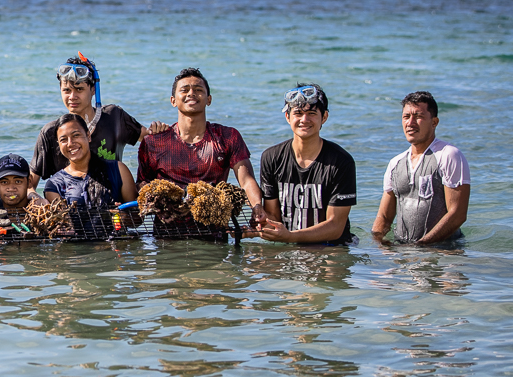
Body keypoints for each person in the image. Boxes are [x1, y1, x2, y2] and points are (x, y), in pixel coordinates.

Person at [137, 67, 264, 225]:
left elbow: (246, 181)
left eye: (198, 90)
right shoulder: (154, 142)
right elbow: (141, 186)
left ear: (209, 99)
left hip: (215, 232)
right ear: (173, 101)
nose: (191, 93)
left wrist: (257, 207)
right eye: (184, 90)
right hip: (166, 234)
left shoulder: (227, 137)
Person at [30, 53, 165, 190]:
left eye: (79, 89)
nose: (72, 96)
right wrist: (35, 196)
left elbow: (151, 141)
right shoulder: (51, 132)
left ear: (93, 89)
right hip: (69, 201)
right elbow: (30, 185)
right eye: (66, 90)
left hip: (115, 200)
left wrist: (159, 132)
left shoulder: (114, 117)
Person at [258, 84, 357, 245]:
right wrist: (258, 227)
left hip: (332, 247)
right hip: (289, 243)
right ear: (288, 117)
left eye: (312, 113)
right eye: (298, 113)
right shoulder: (271, 158)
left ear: (324, 117)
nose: (304, 120)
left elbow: (335, 226)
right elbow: (273, 216)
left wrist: (291, 236)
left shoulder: (341, 162)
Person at [372, 91, 471, 245]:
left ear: (434, 122)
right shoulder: (395, 164)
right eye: (406, 117)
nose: (410, 123)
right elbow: (384, 218)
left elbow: (457, 214)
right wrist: (379, 245)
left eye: (418, 116)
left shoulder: (449, 155)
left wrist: (422, 246)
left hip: (443, 250)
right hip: (405, 250)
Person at [44, 114, 137, 208]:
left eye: (76, 135)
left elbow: (136, 214)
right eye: (63, 139)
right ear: (58, 144)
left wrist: (122, 215)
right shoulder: (54, 185)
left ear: (88, 136)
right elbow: (63, 217)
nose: (70, 143)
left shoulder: (118, 170)